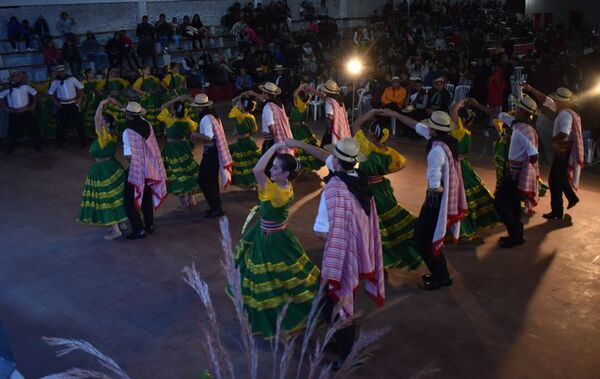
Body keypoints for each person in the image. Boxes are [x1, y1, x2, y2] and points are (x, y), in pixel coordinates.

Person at [290, 137, 384, 368]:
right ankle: (340, 342)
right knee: (330, 301)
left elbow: (322, 232)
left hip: (342, 255)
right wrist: (299, 144)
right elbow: (326, 157)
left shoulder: (333, 189)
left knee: (337, 302)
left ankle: (348, 357)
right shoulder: (358, 178)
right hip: (359, 250)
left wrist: (339, 239)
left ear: (337, 161)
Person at [229, 141, 319, 338]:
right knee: (276, 276)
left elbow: (257, 169)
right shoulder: (284, 185)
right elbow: (263, 169)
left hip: (270, 239)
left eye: (276, 167)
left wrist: (275, 147)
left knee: (267, 279)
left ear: (286, 174)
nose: (271, 169)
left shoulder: (276, 192)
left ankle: (273, 318)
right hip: (274, 234)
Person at [391, 110, 468, 289]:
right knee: (427, 236)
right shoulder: (448, 142)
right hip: (441, 197)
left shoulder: (437, 150)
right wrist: (393, 113)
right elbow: (415, 125)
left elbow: (434, 179)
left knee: (423, 239)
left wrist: (437, 190)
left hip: (436, 199)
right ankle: (439, 273)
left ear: (433, 129)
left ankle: (441, 276)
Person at [354, 110, 422, 270]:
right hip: (382, 187)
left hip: (368, 189)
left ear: (371, 133)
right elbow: (401, 165)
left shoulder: (365, 148)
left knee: (372, 223)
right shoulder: (391, 154)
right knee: (387, 221)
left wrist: (370, 112)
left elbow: (355, 124)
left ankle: (374, 255)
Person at [469, 96, 540, 248]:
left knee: (501, 202)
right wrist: (477, 104)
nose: (515, 110)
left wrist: (522, 170)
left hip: (516, 174)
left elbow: (534, 154)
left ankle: (515, 234)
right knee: (512, 203)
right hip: (514, 172)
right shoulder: (518, 124)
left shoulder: (523, 130)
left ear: (524, 112)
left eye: (518, 109)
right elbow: (496, 113)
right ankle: (517, 234)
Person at [522, 84, 583, 220]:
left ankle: (558, 210)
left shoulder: (565, 115)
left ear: (562, 102)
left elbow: (564, 132)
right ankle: (569, 200)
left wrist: (553, 140)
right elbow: (546, 101)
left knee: (554, 180)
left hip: (563, 150)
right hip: (565, 150)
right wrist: (531, 89)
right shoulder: (567, 111)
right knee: (559, 178)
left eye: (556, 100)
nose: (553, 102)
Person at [446, 99, 501, 238]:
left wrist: (459, 102)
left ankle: (461, 228)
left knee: (457, 198)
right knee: (468, 197)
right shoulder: (466, 134)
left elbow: (453, 110)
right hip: (464, 165)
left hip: (455, 168)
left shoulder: (457, 131)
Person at [76, 98, 128, 240]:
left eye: (102, 122)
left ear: (105, 123)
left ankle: (115, 229)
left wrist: (101, 104)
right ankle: (123, 222)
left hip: (103, 170)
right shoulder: (111, 134)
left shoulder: (104, 136)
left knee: (107, 198)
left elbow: (96, 119)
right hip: (112, 166)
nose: (99, 123)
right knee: (117, 196)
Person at [121, 101, 167, 239]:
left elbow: (129, 155)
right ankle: (150, 225)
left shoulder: (128, 131)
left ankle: (138, 229)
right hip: (151, 168)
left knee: (129, 201)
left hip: (137, 169)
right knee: (147, 197)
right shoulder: (147, 124)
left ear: (128, 116)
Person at [190, 94, 233, 218]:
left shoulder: (205, 119)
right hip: (215, 152)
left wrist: (195, 134)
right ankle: (216, 206)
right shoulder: (213, 115)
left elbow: (208, 137)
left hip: (211, 152)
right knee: (212, 180)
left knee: (203, 180)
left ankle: (215, 207)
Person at [157, 95, 200, 208]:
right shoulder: (188, 121)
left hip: (172, 149)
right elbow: (193, 130)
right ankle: (191, 197)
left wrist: (175, 99)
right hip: (184, 147)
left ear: (173, 110)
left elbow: (162, 107)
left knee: (176, 174)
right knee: (187, 171)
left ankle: (183, 201)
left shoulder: (170, 120)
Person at [242, 82, 294, 155]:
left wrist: (275, 138)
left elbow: (271, 125)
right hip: (281, 138)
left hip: (271, 140)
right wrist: (253, 93)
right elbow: (263, 99)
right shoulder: (279, 104)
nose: (262, 94)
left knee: (268, 162)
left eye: (263, 92)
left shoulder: (268, 107)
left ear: (266, 94)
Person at [0, 70, 40, 153]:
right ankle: (11, 147)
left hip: (26, 111)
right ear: (12, 78)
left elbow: (35, 93)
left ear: (21, 77)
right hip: (15, 112)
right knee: (13, 131)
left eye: (18, 76)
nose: (17, 77)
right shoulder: (7, 87)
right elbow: (1, 97)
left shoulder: (25, 86)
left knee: (32, 128)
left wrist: (33, 105)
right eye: (15, 76)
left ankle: (36, 145)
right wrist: (5, 108)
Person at [304, 79, 351, 146]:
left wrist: (329, 128)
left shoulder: (329, 102)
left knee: (328, 144)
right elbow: (323, 97)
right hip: (342, 125)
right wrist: (313, 91)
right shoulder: (338, 98)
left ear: (326, 91)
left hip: (333, 128)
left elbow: (330, 116)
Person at [48, 65, 85, 148]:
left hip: (73, 103)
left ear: (65, 71)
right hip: (63, 105)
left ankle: (83, 141)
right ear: (58, 72)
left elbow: (81, 87)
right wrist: (56, 103)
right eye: (60, 71)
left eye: (63, 71)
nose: (62, 73)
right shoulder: (55, 82)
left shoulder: (72, 79)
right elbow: (50, 93)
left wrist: (79, 98)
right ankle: (59, 142)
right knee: (61, 124)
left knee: (78, 122)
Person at [228, 96, 261, 188]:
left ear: (243, 106)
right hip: (250, 140)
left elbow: (232, 103)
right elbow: (254, 130)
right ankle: (255, 181)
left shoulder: (239, 116)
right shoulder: (251, 117)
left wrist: (239, 97)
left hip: (242, 142)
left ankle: (249, 182)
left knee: (243, 163)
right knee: (252, 161)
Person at [289, 83, 323, 172]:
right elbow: (309, 96)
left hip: (297, 129)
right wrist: (308, 90)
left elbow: (293, 95)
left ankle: (300, 165)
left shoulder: (299, 105)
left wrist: (299, 88)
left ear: (299, 99)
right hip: (303, 127)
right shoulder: (305, 103)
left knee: (299, 147)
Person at [131, 66, 162, 134]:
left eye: (149, 69)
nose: (149, 70)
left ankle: (157, 132)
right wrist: (143, 92)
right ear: (143, 71)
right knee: (148, 114)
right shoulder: (140, 79)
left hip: (154, 98)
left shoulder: (153, 78)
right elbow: (134, 88)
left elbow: (159, 83)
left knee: (155, 113)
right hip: (147, 99)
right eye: (147, 69)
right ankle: (149, 131)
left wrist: (155, 90)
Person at [102, 67, 130, 133]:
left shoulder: (119, 80)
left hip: (120, 97)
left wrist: (121, 91)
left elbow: (128, 85)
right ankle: (112, 129)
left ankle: (122, 130)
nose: (114, 73)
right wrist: (108, 94)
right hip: (110, 98)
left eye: (115, 71)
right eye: (113, 71)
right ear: (109, 72)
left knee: (123, 111)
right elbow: (100, 89)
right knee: (111, 110)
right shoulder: (105, 81)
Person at [81, 68, 105, 137]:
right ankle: (88, 133)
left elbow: (99, 91)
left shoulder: (96, 81)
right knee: (88, 116)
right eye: (91, 72)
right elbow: (83, 94)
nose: (93, 74)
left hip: (96, 101)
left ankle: (96, 131)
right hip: (88, 101)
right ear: (87, 74)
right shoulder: (83, 82)